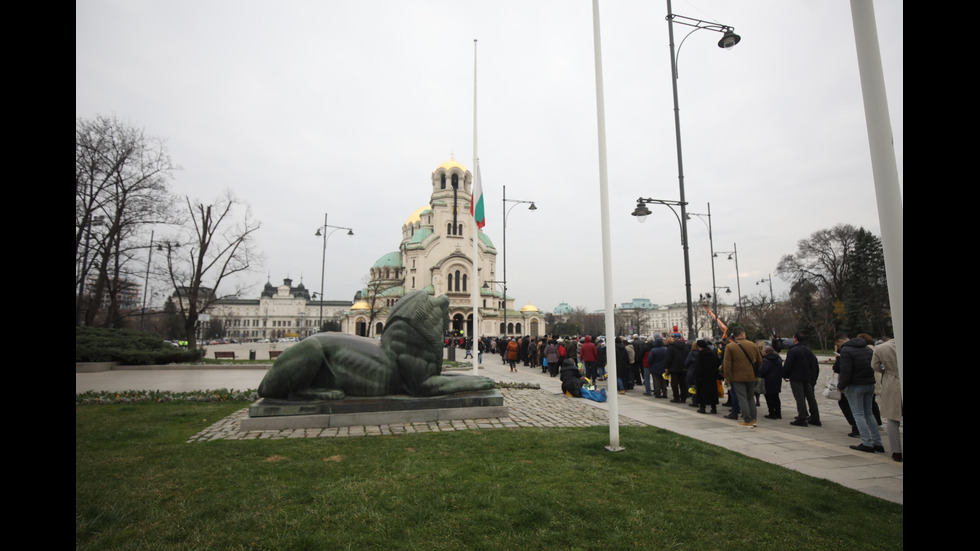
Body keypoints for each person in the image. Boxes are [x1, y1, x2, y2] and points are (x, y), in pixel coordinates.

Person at [838, 333, 884, 453]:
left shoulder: (846, 351)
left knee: (858, 414)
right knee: (869, 413)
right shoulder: (867, 349)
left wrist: (841, 386)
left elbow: (845, 371)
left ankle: (867, 443)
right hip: (869, 383)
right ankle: (877, 442)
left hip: (855, 385)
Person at [722, 327, 761, 427]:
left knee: (742, 398)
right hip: (751, 376)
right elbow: (759, 361)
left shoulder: (730, 346)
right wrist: (756, 372)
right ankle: (753, 419)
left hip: (737, 376)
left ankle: (747, 420)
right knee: (750, 398)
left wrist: (727, 376)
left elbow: (727, 363)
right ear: (743, 334)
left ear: (734, 336)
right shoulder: (752, 345)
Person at [872, 337, 902, 462]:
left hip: (891, 380)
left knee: (892, 418)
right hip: (894, 376)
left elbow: (875, 365)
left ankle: (896, 451)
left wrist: (887, 370)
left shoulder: (881, 348)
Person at [782, 333, 821, 427]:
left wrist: (784, 375)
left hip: (796, 377)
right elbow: (813, 365)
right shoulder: (808, 350)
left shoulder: (793, 351)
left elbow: (788, 365)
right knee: (810, 397)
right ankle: (815, 417)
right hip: (807, 377)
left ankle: (802, 418)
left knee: (799, 397)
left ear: (795, 339)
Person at [694, 339, 721, 414]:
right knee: (712, 392)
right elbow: (719, 362)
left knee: (702, 392)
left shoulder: (701, 354)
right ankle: (714, 408)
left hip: (702, 376)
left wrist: (696, 376)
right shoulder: (712, 353)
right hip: (712, 376)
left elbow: (698, 366)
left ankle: (702, 407)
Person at [665, 335, 690, 403]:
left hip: (674, 368)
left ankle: (676, 397)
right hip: (683, 367)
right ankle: (683, 397)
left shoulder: (671, 347)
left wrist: (667, 367)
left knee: (674, 383)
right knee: (683, 383)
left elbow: (668, 358)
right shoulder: (686, 347)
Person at [760, 345, 783, 419]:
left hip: (768, 380)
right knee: (776, 397)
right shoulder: (778, 359)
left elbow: (763, 371)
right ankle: (778, 413)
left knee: (769, 398)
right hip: (777, 380)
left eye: (763, 351)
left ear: (766, 352)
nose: (762, 352)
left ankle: (772, 413)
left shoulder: (765, 360)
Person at [645, 334, 668, 398]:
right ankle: (665, 393)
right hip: (663, 367)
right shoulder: (665, 349)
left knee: (656, 381)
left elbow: (649, 359)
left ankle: (658, 393)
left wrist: (650, 364)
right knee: (663, 381)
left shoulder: (653, 350)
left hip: (655, 367)